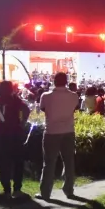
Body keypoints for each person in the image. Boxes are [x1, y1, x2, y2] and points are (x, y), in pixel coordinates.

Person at [38, 72, 80, 200]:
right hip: (68, 131)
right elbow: (74, 109)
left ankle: (45, 193)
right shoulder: (74, 96)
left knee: (49, 163)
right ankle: (69, 189)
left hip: (52, 132)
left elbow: (43, 109)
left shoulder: (46, 96)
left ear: (54, 81)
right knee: (69, 161)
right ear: (66, 81)